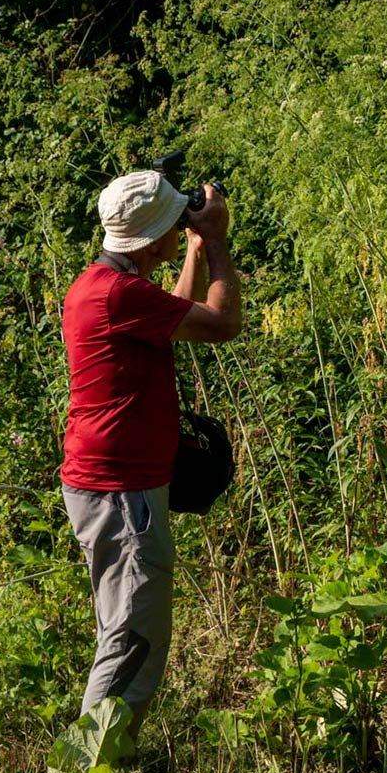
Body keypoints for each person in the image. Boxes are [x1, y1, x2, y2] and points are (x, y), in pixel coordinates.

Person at [60, 169, 241, 742]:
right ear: (149, 238)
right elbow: (221, 324)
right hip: (122, 491)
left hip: (108, 485)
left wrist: (187, 250)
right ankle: (88, 768)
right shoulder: (118, 295)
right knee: (133, 635)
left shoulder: (101, 286)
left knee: (123, 626)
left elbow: (166, 322)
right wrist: (214, 242)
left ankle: (97, 759)